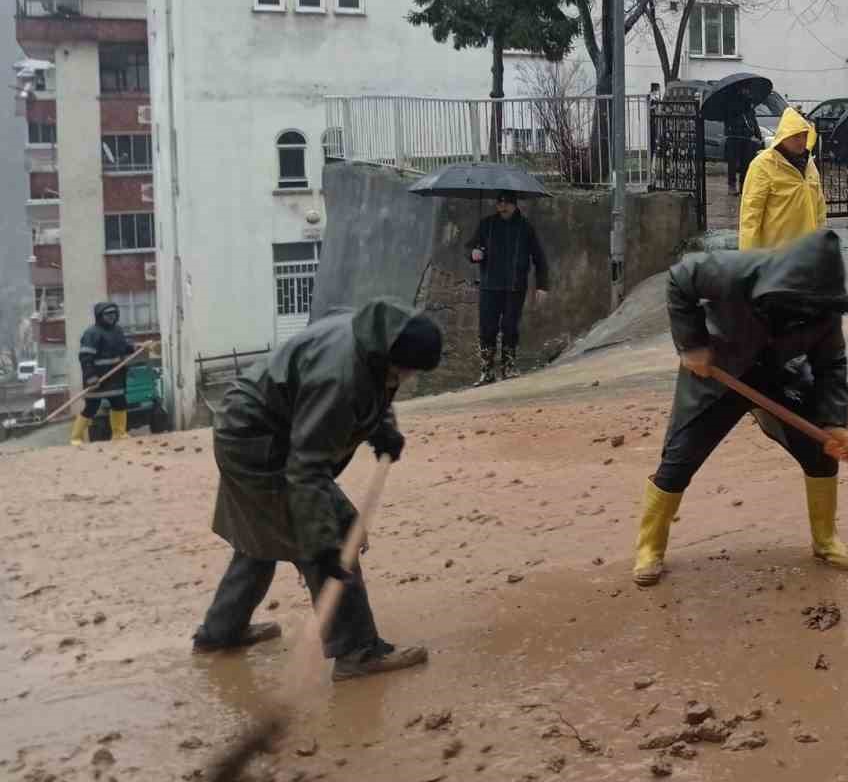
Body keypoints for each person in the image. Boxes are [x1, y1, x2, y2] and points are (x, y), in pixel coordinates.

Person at [191, 299, 440, 680]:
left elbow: (375, 384)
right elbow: (306, 470)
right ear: (393, 356)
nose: (407, 379)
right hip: (259, 445)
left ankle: (221, 632)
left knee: (262, 534)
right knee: (335, 537)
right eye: (407, 371)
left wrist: (382, 426)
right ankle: (357, 651)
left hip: (251, 426)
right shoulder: (337, 378)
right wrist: (321, 546)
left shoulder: (372, 332)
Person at [632, 229, 848, 586]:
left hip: (776, 378)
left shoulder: (824, 311)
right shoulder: (736, 270)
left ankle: (825, 540)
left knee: (820, 453)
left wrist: (834, 423)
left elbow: (831, 367)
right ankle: (650, 548)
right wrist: (691, 345)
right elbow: (679, 278)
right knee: (680, 458)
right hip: (719, 373)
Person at [467, 191, 550, 385]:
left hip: (514, 287)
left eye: (506, 204)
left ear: (514, 205)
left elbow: (540, 259)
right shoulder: (486, 225)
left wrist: (542, 286)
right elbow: (469, 248)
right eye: (499, 203)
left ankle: (508, 367)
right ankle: (486, 371)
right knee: (487, 329)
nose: (502, 207)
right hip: (489, 286)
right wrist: (474, 253)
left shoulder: (525, 228)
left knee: (510, 327)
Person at [738, 108, 826, 251]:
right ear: (783, 136)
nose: (801, 141)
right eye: (796, 136)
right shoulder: (763, 166)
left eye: (804, 136)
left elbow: (820, 210)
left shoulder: (809, 165)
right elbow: (750, 217)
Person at [70, 302, 136, 445]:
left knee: (120, 403)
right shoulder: (91, 333)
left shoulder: (118, 331)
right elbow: (85, 358)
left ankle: (119, 434)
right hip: (97, 379)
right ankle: (76, 437)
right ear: (100, 316)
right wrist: (90, 376)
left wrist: (134, 347)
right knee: (91, 408)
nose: (111, 317)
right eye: (108, 314)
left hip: (116, 377)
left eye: (113, 313)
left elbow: (122, 347)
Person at [724, 104, 762, 194]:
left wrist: (758, 134)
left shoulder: (749, 104)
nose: (746, 91)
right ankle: (732, 185)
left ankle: (743, 185)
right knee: (732, 163)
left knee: (746, 162)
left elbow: (753, 120)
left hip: (746, 137)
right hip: (733, 136)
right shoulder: (730, 104)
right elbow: (727, 120)